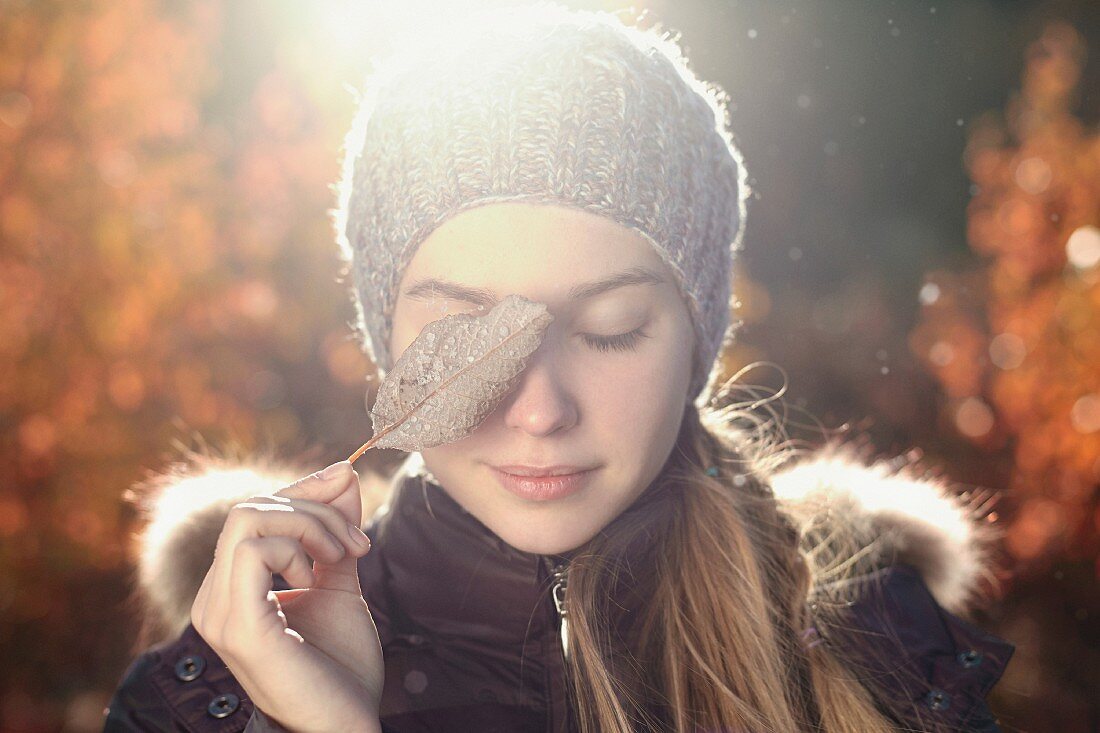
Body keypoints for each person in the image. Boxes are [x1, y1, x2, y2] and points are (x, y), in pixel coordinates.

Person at [102, 4, 1016, 732]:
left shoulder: (876, 658)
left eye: (613, 328)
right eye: (468, 330)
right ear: (388, 337)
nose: (537, 409)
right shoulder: (211, 700)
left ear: (696, 337)